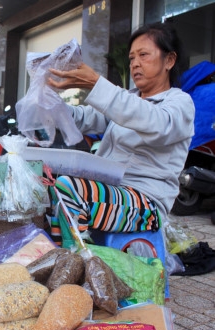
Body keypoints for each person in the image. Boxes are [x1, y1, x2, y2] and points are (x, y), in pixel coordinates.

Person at [47, 22, 195, 233]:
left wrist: (96, 84)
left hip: (146, 202)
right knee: (44, 184)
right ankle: (59, 252)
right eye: (132, 58)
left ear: (169, 60)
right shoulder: (129, 98)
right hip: (109, 189)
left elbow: (154, 122)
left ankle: (79, 258)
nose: (135, 63)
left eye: (144, 55)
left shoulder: (180, 103)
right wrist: (52, 107)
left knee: (69, 188)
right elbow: (85, 117)